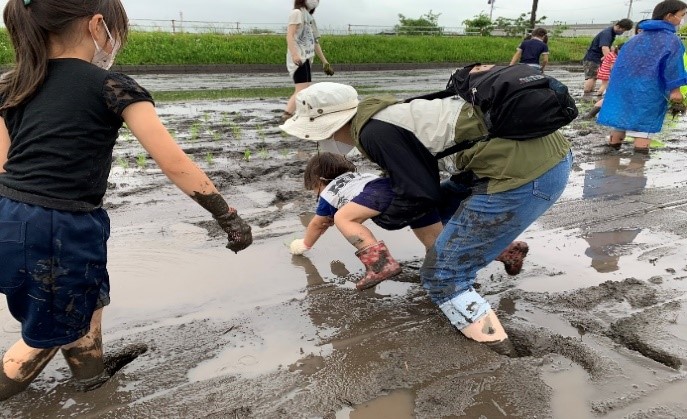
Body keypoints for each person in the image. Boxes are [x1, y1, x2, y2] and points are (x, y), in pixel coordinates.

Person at [0, 0, 252, 401]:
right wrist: (227, 215)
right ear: (98, 26)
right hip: (60, 225)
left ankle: (91, 378)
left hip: (14, 217)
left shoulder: (13, 84)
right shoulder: (112, 86)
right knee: (47, 331)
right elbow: (172, 161)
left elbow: (3, 166)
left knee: (86, 299)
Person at [280, 79, 572, 353]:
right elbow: (423, 184)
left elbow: (419, 193)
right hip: (532, 158)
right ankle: (505, 251)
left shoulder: (374, 133)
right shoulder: (384, 113)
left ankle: (502, 352)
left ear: (327, 125)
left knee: (442, 276)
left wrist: (387, 217)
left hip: (524, 174)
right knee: (443, 227)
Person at [288, 152, 528, 290]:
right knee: (438, 244)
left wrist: (304, 245)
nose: (316, 193)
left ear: (320, 181)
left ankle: (380, 264)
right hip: (409, 194)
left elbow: (318, 224)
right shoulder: (359, 178)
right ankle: (504, 251)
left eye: (314, 188)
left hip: (383, 198)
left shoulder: (331, 191)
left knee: (344, 217)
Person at [597, 0, 687, 153]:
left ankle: (611, 158)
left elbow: (621, 66)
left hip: (624, 87)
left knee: (620, 121)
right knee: (644, 127)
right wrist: (675, 90)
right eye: (682, 15)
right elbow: (672, 68)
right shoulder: (671, 40)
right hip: (648, 89)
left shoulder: (635, 39)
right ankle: (636, 168)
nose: (682, 19)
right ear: (670, 16)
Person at [281, 0, 334, 123]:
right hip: (299, 58)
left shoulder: (309, 19)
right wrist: (294, 55)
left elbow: (315, 42)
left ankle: (294, 115)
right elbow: (289, 35)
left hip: (307, 58)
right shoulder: (297, 13)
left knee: (304, 89)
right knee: (301, 90)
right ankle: (287, 116)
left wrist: (325, 62)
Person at [582, 18, 634, 93]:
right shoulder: (607, 34)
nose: (622, 32)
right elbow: (605, 48)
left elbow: (609, 46)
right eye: (623, 30)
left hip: (595, 58)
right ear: (618, 26)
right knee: (591, 77)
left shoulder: (611, 33)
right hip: (593, 58)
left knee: (594, 77)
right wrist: (609, 61)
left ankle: (589, 94)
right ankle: (586, 94)